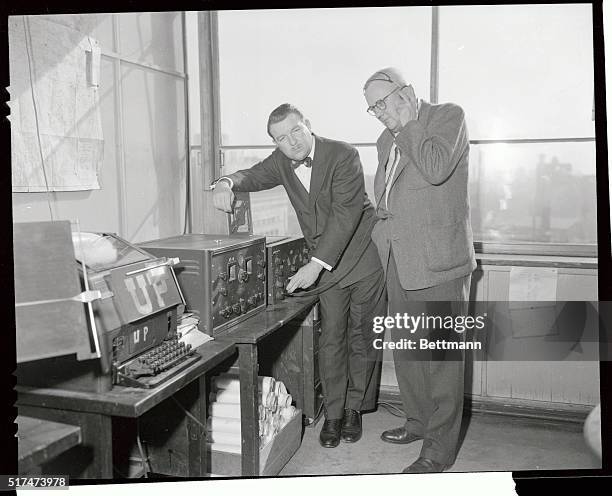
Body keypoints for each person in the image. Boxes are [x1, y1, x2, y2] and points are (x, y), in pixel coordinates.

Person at [212, 103, 386, 448]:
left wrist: (316, 264)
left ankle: (354, 409)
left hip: (360, 260)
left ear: (307, 125)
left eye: (295, 131)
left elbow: (345, 214)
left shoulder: (343, 154)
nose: (291, 142)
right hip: (328, 268)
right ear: (276, 144)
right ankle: (333, 414)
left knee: (362, 338)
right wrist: (225, 182)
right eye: (280, 138)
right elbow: (253, 175)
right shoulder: (281, 162)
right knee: (331, 338)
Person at [363, 68, 476, 473]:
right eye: (371, 107)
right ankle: (417, 422)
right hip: (399, 260)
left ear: (405, 93)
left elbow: (434, 167)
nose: (377, 113)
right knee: (409, 354)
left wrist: (406, 124)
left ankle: (438, 451)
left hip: (441, 262)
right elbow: (387, 198)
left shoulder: (447, 117)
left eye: (381, 102)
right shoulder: (384, 140)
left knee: (441, 361)